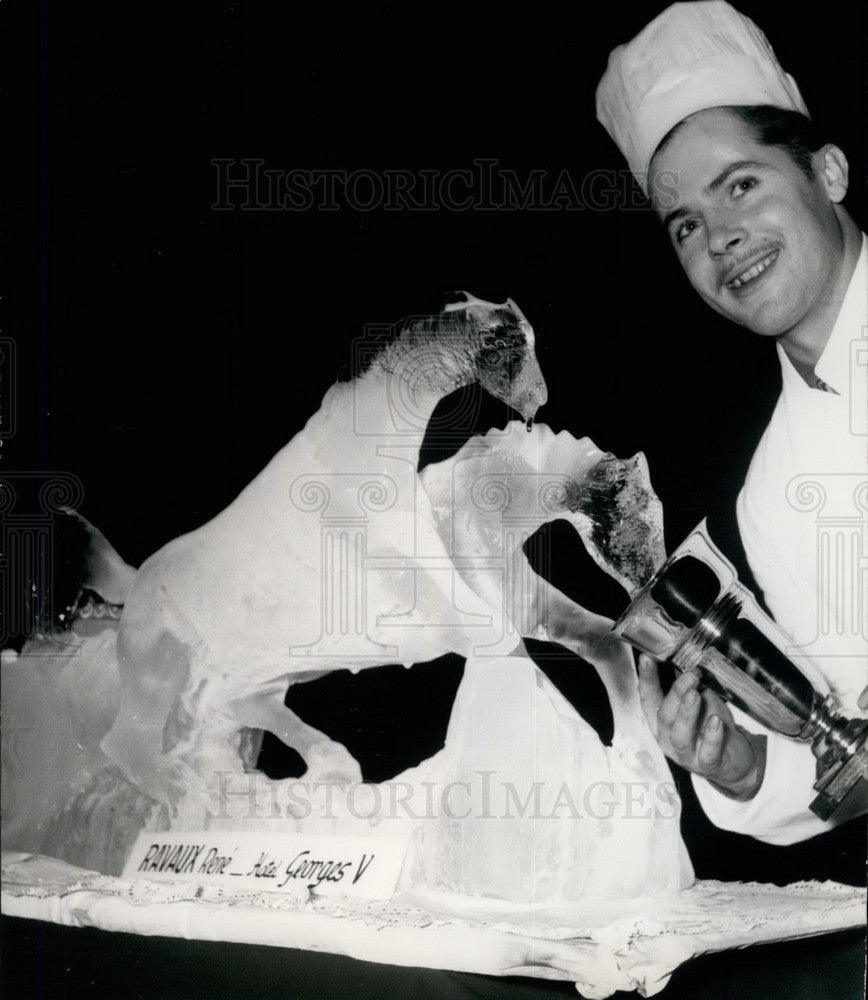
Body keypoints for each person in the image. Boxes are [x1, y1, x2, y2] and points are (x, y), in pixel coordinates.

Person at [595, 1, 867, 845]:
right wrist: (741, 764)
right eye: (687, 226)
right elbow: (847, 750)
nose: (721, 239)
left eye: (741, 185)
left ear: (828, 173)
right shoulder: (774, 495)